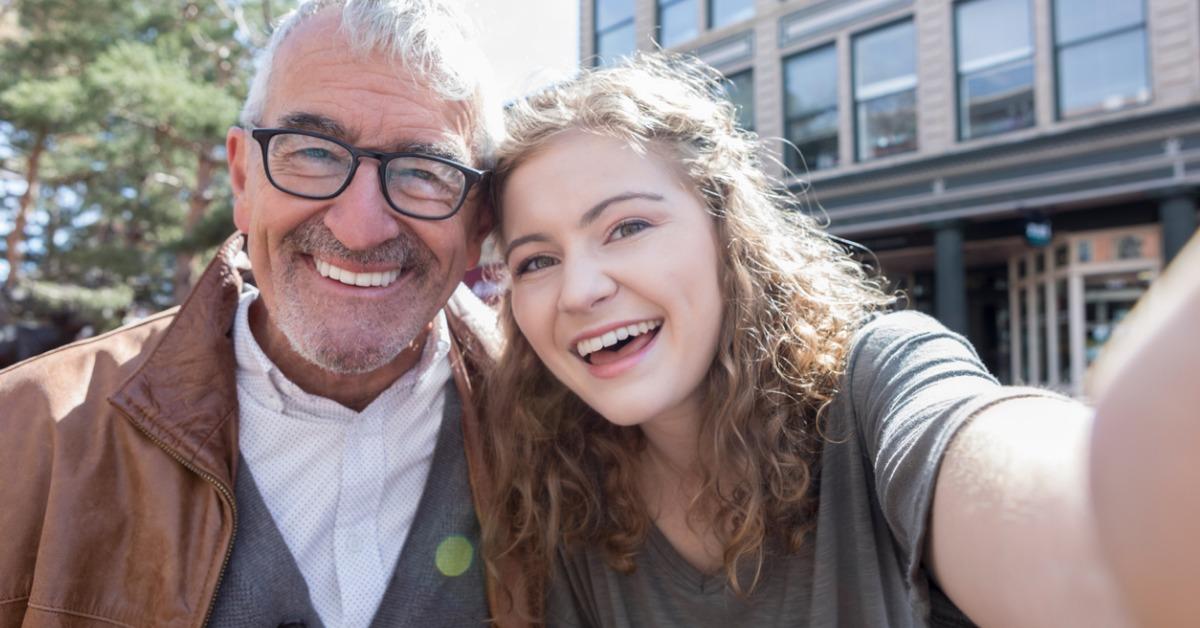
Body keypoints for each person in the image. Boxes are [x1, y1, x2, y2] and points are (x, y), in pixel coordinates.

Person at [481, 53, 1199, 626]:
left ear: (724, 231)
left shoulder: (877, 386)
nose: (579, 290)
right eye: (536, 261)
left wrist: (1121, 493)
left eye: (628, 227)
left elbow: (1077, 535)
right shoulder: (561, 491)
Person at [0, 1, 531, 626]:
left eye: (424, 171)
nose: (359, 229)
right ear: (242, 178)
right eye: (313, 153)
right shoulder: (27, 435)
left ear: (480, 224)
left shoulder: (566, 438)